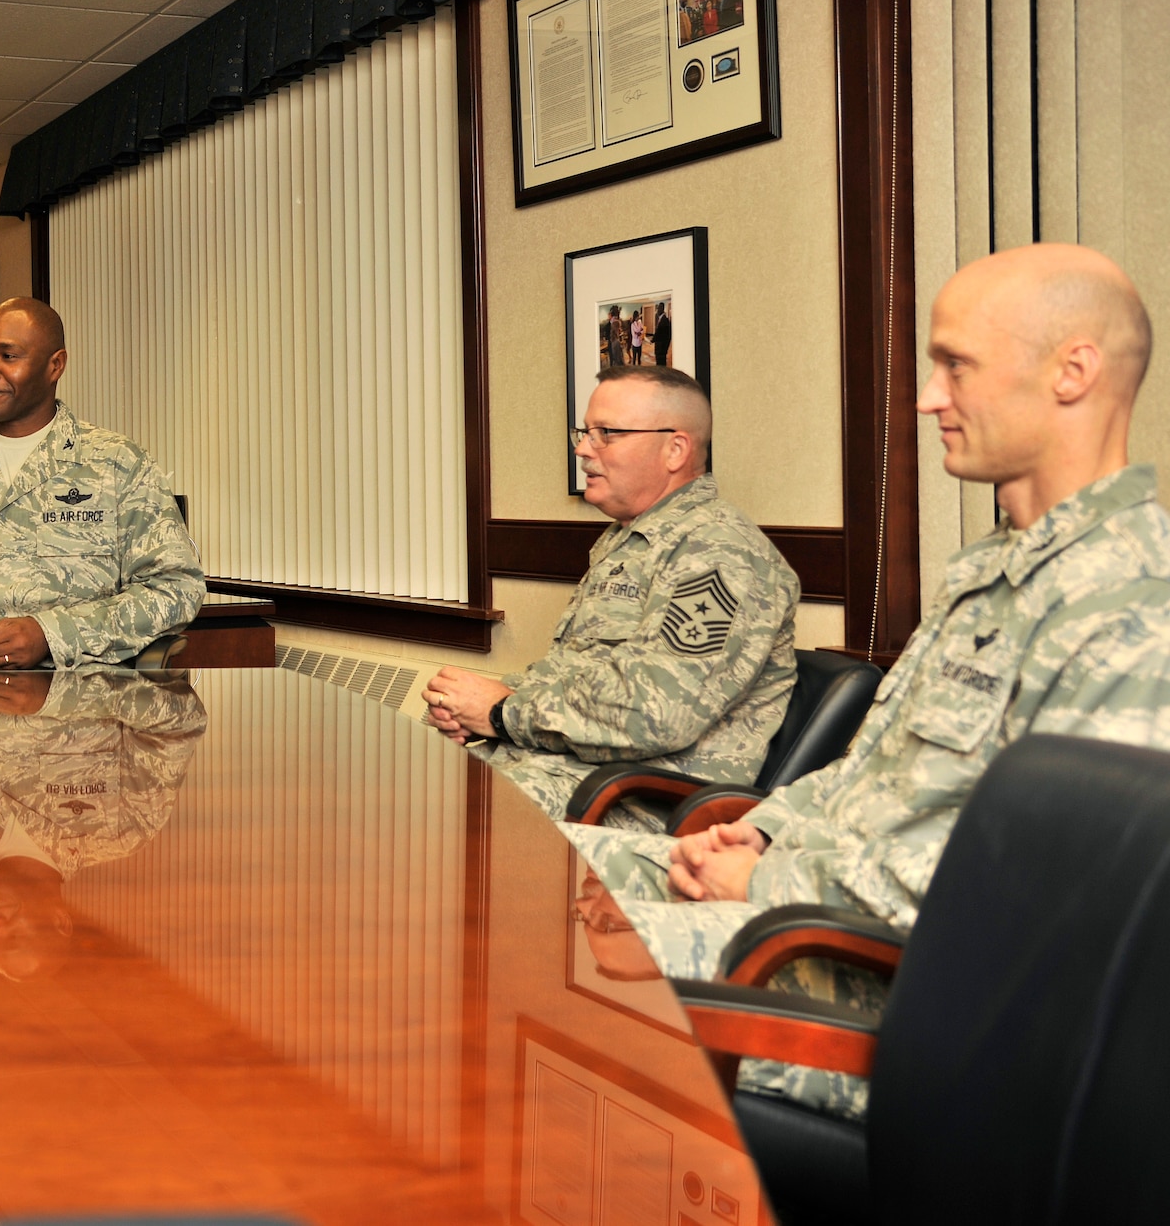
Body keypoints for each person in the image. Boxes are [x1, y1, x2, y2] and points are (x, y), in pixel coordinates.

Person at [572, 243, 1170, 1119]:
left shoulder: (1129, 603)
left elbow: (1036, 905)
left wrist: (768, 887)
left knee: (549, 961)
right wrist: (760, 832)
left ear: (1072, 372)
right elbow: (873, 776)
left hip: (903, 1000)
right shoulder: (988, 571)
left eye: (956, 366)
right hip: (812, 911)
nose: (928, 397)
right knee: (526, 876)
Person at [424, 365, 799, 828]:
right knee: (390, 786)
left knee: (429, 822)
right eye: (585, 432)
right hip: (553, 773)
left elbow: (655, 713)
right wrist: (470, 708)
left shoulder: (720, 551)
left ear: (675, 449)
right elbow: (579, 678)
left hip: (628, 806)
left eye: (607, 433)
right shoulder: (629, 539)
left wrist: (502, 712)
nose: (583, 448)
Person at [0, 297, 205, 669]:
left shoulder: (116, 463)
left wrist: (53, 634)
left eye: (8, 356)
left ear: (55, 365)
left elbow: (175, 588)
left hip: (75, 688)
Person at [0, 665, 207, 980]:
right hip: (77, 639)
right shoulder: (120, 829)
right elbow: (178, 720)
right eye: (13, 937)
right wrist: (56, 693)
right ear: (60, 920)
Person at [652, 302, 672, 367]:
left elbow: (667, 336)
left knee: (661, 366)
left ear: (662, 309)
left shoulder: (664, 320)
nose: (657, 311)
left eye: (658, 309)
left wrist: (653, 340)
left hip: (661, 349)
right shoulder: (661, 319)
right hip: (660, 349)